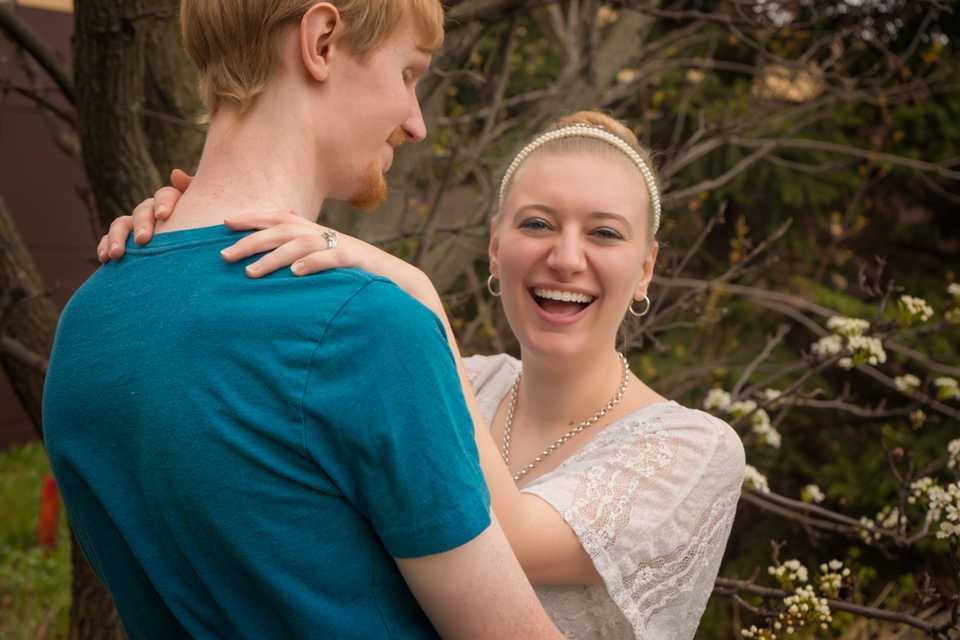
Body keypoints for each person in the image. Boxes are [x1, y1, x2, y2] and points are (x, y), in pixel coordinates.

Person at [105, 109, 747, 638]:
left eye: (605, 233)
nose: (566, 257)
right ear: (496, 247)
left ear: (646, 268)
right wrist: (189, 235)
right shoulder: (463, 379)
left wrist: (419, 293)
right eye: (537, 224)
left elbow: (511, 535)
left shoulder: (696, 449)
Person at [42, 2, 563, 639]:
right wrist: (418, 301)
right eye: (408, 73)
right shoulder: (365, 330)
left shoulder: (87, 322)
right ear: (320, 41)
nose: (416, 123)